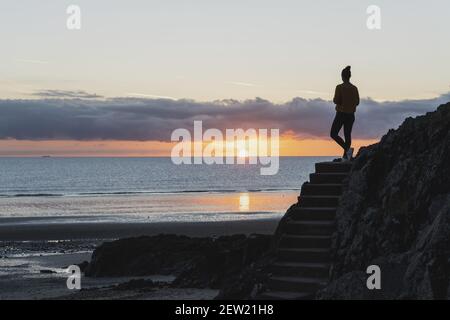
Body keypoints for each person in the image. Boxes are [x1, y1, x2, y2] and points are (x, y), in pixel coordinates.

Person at [330, 66, 359, 161]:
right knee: (347, 135)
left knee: (333, 133)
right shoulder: (354, 88)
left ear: (342, 76)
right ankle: (346, 157)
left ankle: (347, 150)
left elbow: (336, 100)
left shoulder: (339, 87)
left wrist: (337, 101)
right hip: (351, 115)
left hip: (341, 114)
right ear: (349, 76)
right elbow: (357, 102)